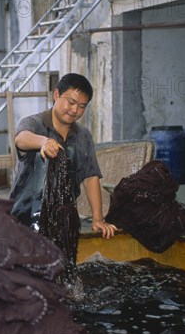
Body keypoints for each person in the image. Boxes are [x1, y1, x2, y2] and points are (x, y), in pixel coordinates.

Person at [9, 73, 116, 239]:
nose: (75, 110)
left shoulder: (83, 136)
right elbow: (21, 139)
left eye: (82, 106)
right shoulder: (34, 124)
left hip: (63, 220)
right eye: (71, 102)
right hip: (24, 218)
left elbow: (90, 177)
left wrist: (98, 219)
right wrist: (43, 142)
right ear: (56, 94)